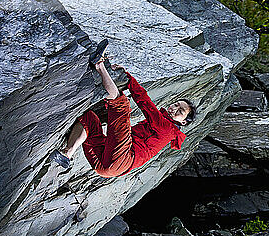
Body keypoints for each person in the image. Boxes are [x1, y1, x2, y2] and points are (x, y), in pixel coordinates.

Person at [50, 39, 197, 177]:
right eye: (176, 104)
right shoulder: (165, 126)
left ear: (183, 122)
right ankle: (67, 154)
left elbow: (145, 103)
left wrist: (129, 79)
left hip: (123, 159)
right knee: (90, 118)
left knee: (122, 105)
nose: (174, 108)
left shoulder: (168, 130)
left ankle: (99, 64)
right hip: (105, 169)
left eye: (180, 112)